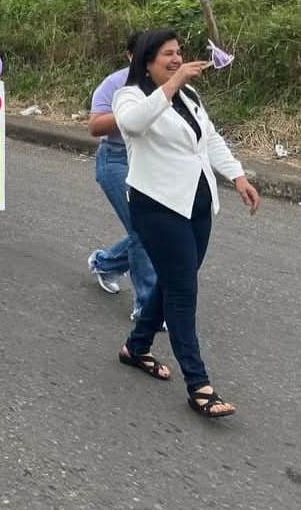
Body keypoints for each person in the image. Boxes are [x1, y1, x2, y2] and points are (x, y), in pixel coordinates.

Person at [113, 29, 260, 419]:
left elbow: (209, 139)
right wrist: (173, 83)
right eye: (167, 54)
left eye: (179, 53)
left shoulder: (189, 95)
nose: (177, 59)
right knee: (182, 290)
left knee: (174, 279)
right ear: (147, 61)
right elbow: (133, 124)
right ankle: (199, 385)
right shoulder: (130, 96)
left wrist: (238, 176)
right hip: (157, 206)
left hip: (196, 204)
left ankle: (136, 347)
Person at [86, 32, 157, 319]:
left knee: (154, 229)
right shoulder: (115, 84)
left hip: (151, 160)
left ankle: (106, 264)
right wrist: (132, 114)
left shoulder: (165, 84)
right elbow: (95, 126)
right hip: (116, 160)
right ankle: (147, 305)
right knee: (143, 229)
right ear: (130, 56)